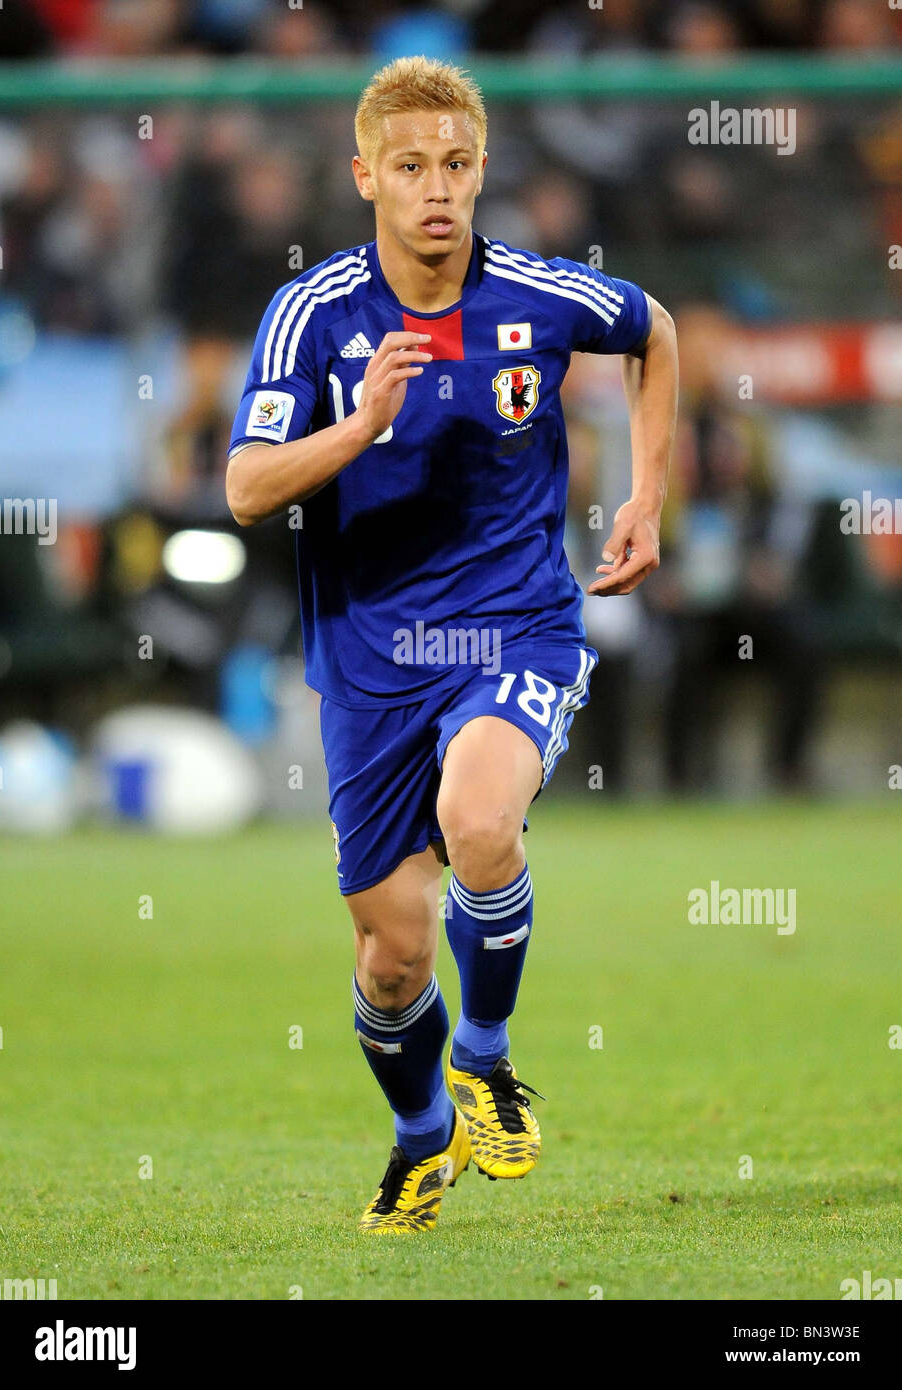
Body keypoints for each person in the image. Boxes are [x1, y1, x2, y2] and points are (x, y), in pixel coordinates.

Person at [225, 55, 677, 1232]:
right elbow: (244, 488)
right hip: (369, 656)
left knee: (482, 823)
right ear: (365, 173)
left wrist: (645, 497)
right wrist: (360, 424)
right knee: (390, 957)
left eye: (459, 165)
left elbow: (655, 330)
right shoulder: (313, 316)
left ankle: (483, 1053)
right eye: (413, 166)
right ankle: (422, 1134)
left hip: (512, 624)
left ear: (481, 172)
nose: (438, 189)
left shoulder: (535, 294)